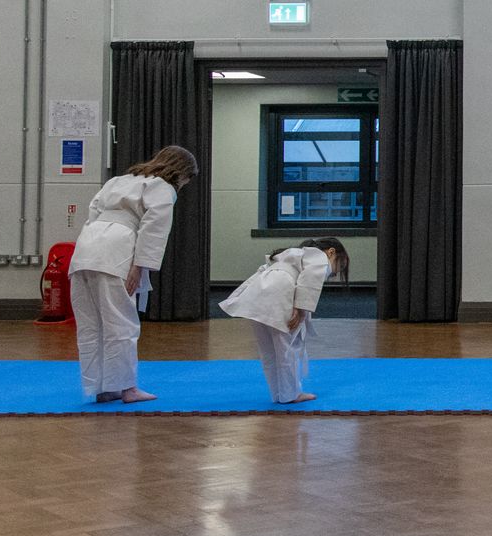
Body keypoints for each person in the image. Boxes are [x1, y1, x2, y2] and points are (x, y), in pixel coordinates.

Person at [68, 144, 198, 404]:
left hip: (86, 246)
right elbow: (153, 228)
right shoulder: (162, 187)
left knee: (91, 324)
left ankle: (102, 387)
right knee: (121, 322)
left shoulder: (119, 180)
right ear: (182, 173)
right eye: (187, 179)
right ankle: (127, 388)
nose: (185, 184)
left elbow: (93, 212)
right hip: (117, 248)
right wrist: (139, 266)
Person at [219, 237, 350, 404]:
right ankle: (291, 394)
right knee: (287, 347)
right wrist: (299, 309)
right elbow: (309, 280)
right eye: (340, 265)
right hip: (280, 292)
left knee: (268, 350)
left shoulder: (293, 254)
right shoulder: (319, 257)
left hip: (259, 292)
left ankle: (278, 393)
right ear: (331, 252)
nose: (336, 272)